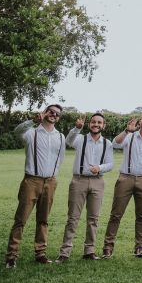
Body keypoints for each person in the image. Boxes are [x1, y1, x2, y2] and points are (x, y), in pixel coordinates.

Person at [6, 104, 67, 267]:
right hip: (31, 180)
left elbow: (60, 158)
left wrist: (52, 176)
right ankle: (11, 256)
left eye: (57, 114)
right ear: (45, 113)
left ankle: (40, 253)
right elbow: (17, 131)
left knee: (43, 219)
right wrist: (32, 121)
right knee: (21, 219)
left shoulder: (60, 137)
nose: (53, 115)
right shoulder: (30, 132)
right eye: (51, 112)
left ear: (59, 118)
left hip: (51, 181)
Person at [57, 112, 114, 261]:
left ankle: (89, 251)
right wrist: (76, 128)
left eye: (99, 122)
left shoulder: (107, 143)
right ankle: (65, 252)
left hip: (98, 182)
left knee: (93, 218)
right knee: (73, 218)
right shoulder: (80, 139)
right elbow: (68, 141)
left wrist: (100, 168)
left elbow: (110, 164)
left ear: (103, 126)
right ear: (89, 124)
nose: (96, 124)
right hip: (79, 181)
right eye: (93, 122)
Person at [102, 112, 142, 258]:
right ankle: (108, 248)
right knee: (116, 214)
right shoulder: (130, 136)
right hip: (125, 178)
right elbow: (115, 144)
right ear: (141, 121)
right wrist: (127, 130)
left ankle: (140, 248)